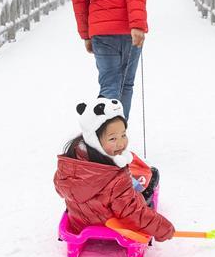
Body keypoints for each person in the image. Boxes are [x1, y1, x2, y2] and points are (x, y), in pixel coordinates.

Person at [54, 97, 173, 240]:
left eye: (123, 135)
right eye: (112, 139)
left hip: (80, 222)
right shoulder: (116, 179)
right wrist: (162, 228)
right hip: (115, 225)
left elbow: (60, 189)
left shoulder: (68, 164)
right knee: (151, 176)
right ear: (95, 140)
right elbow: (132, 212)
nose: (121, 143)